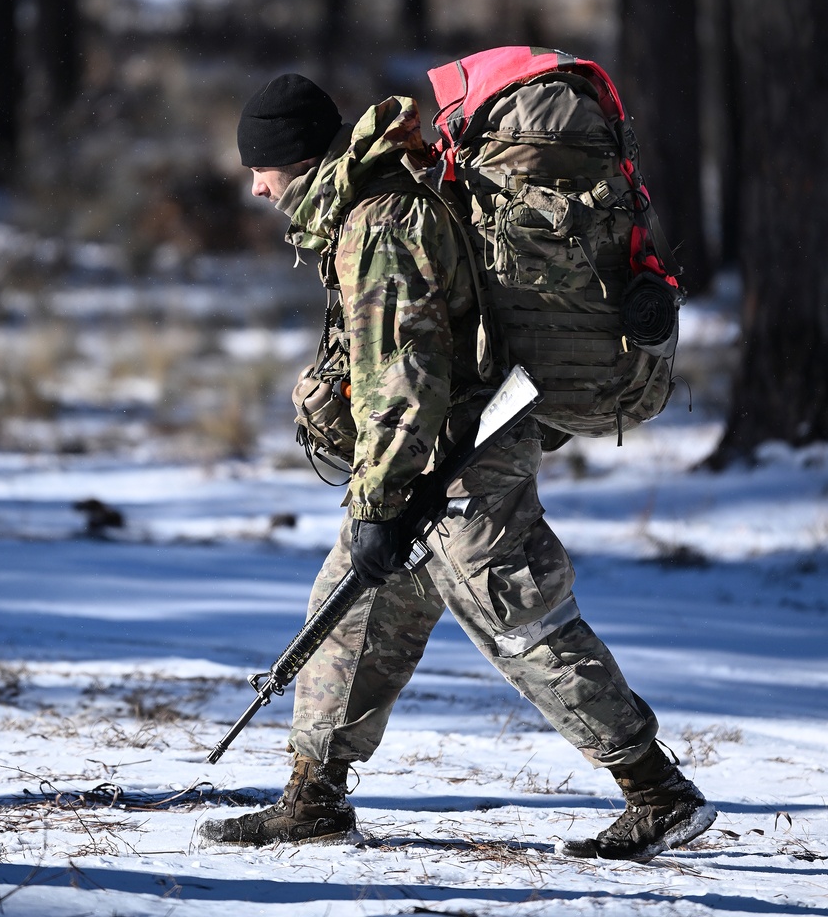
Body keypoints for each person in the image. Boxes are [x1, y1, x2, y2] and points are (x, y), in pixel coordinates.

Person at [199, 72, 716, 860]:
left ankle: (658, 792)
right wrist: (380, 506)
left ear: (293, 159)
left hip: (464, 454)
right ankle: (314, 796)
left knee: (519, 618)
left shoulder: (377, 224)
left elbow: (402, 383)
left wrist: (377, 505)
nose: (256, 185)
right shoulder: (368, 206)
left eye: (258, 166)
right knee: (352, 607)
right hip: (428, 461)